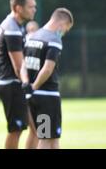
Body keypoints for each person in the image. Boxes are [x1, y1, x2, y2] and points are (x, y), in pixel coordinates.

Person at [20, 8, 74, 149]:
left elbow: (23, 65)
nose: (64, 32)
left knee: (53, 138)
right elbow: (48, 68)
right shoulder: (54, 40)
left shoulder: (32, 37)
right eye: (66, 29)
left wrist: (27, 84)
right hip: (47, 96)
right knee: (45, 139)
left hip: (33, 96)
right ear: (62, 23)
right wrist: (35, 86)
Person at [0, 0, 38, 149]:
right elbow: (19, 66)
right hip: (13, 84)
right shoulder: (11, 28)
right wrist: (30, 86)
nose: (34, 9)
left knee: (37, 129)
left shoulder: (17, 26)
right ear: (18, 8)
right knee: (16, 129)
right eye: (30, 7)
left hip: (17, 84)